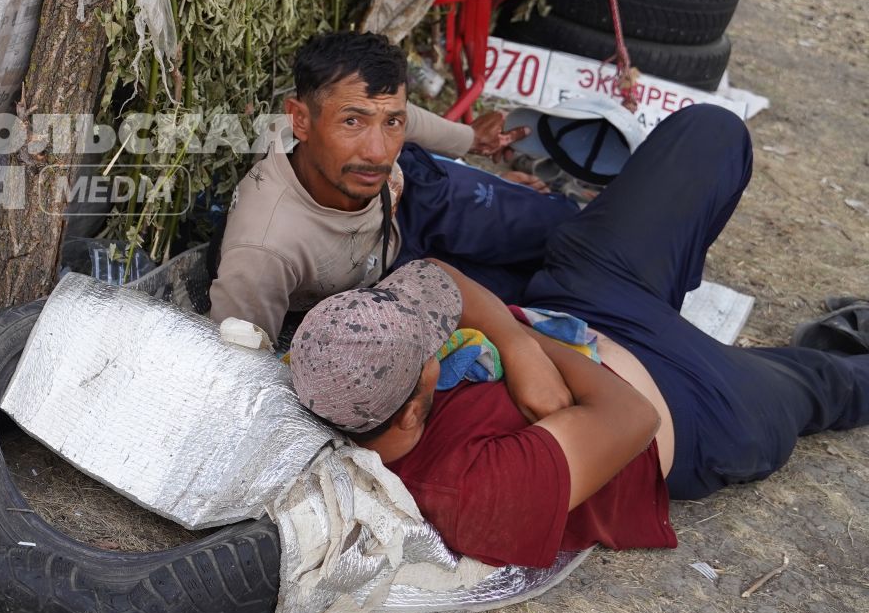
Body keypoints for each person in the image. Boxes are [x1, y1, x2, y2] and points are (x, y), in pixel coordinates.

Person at [286, 105, 869, 569]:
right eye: (430, 347)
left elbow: (439, 279)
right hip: (690, 414)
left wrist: (519, 345)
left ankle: (675, 296)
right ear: (414, 410)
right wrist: (530, 348)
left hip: (577, 309)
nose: (439, 335)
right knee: (826, 383)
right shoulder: (473, 491)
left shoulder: (343, 374)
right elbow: (631, 416)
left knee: (709, 132)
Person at [208, 31, 578, 347]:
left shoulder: (371, 144)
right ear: (301, 120)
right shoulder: (265, 249)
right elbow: (237, 367)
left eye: (391, 123)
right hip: (384, 289)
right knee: (540, 309)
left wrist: (470, 142)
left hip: (417, 198)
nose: (377, 152)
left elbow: (404, 115)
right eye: (352, 121)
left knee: (566, 231)